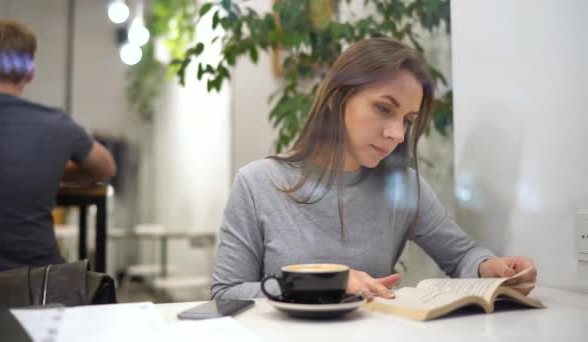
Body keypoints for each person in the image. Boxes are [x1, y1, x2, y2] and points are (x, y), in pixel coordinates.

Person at [211, 37, 538, 301]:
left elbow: (462, 254)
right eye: (384, 108)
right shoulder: (257, 184)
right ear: (335, 100)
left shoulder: (405, 188)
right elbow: (227, 292)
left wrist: (491, 267)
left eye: (407, 120)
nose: (397, 134)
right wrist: (321, 285)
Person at [0, 19, 116, 274]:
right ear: (30, 72)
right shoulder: (56, 124)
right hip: (36, 285)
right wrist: (55, 171)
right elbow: (105, 167)